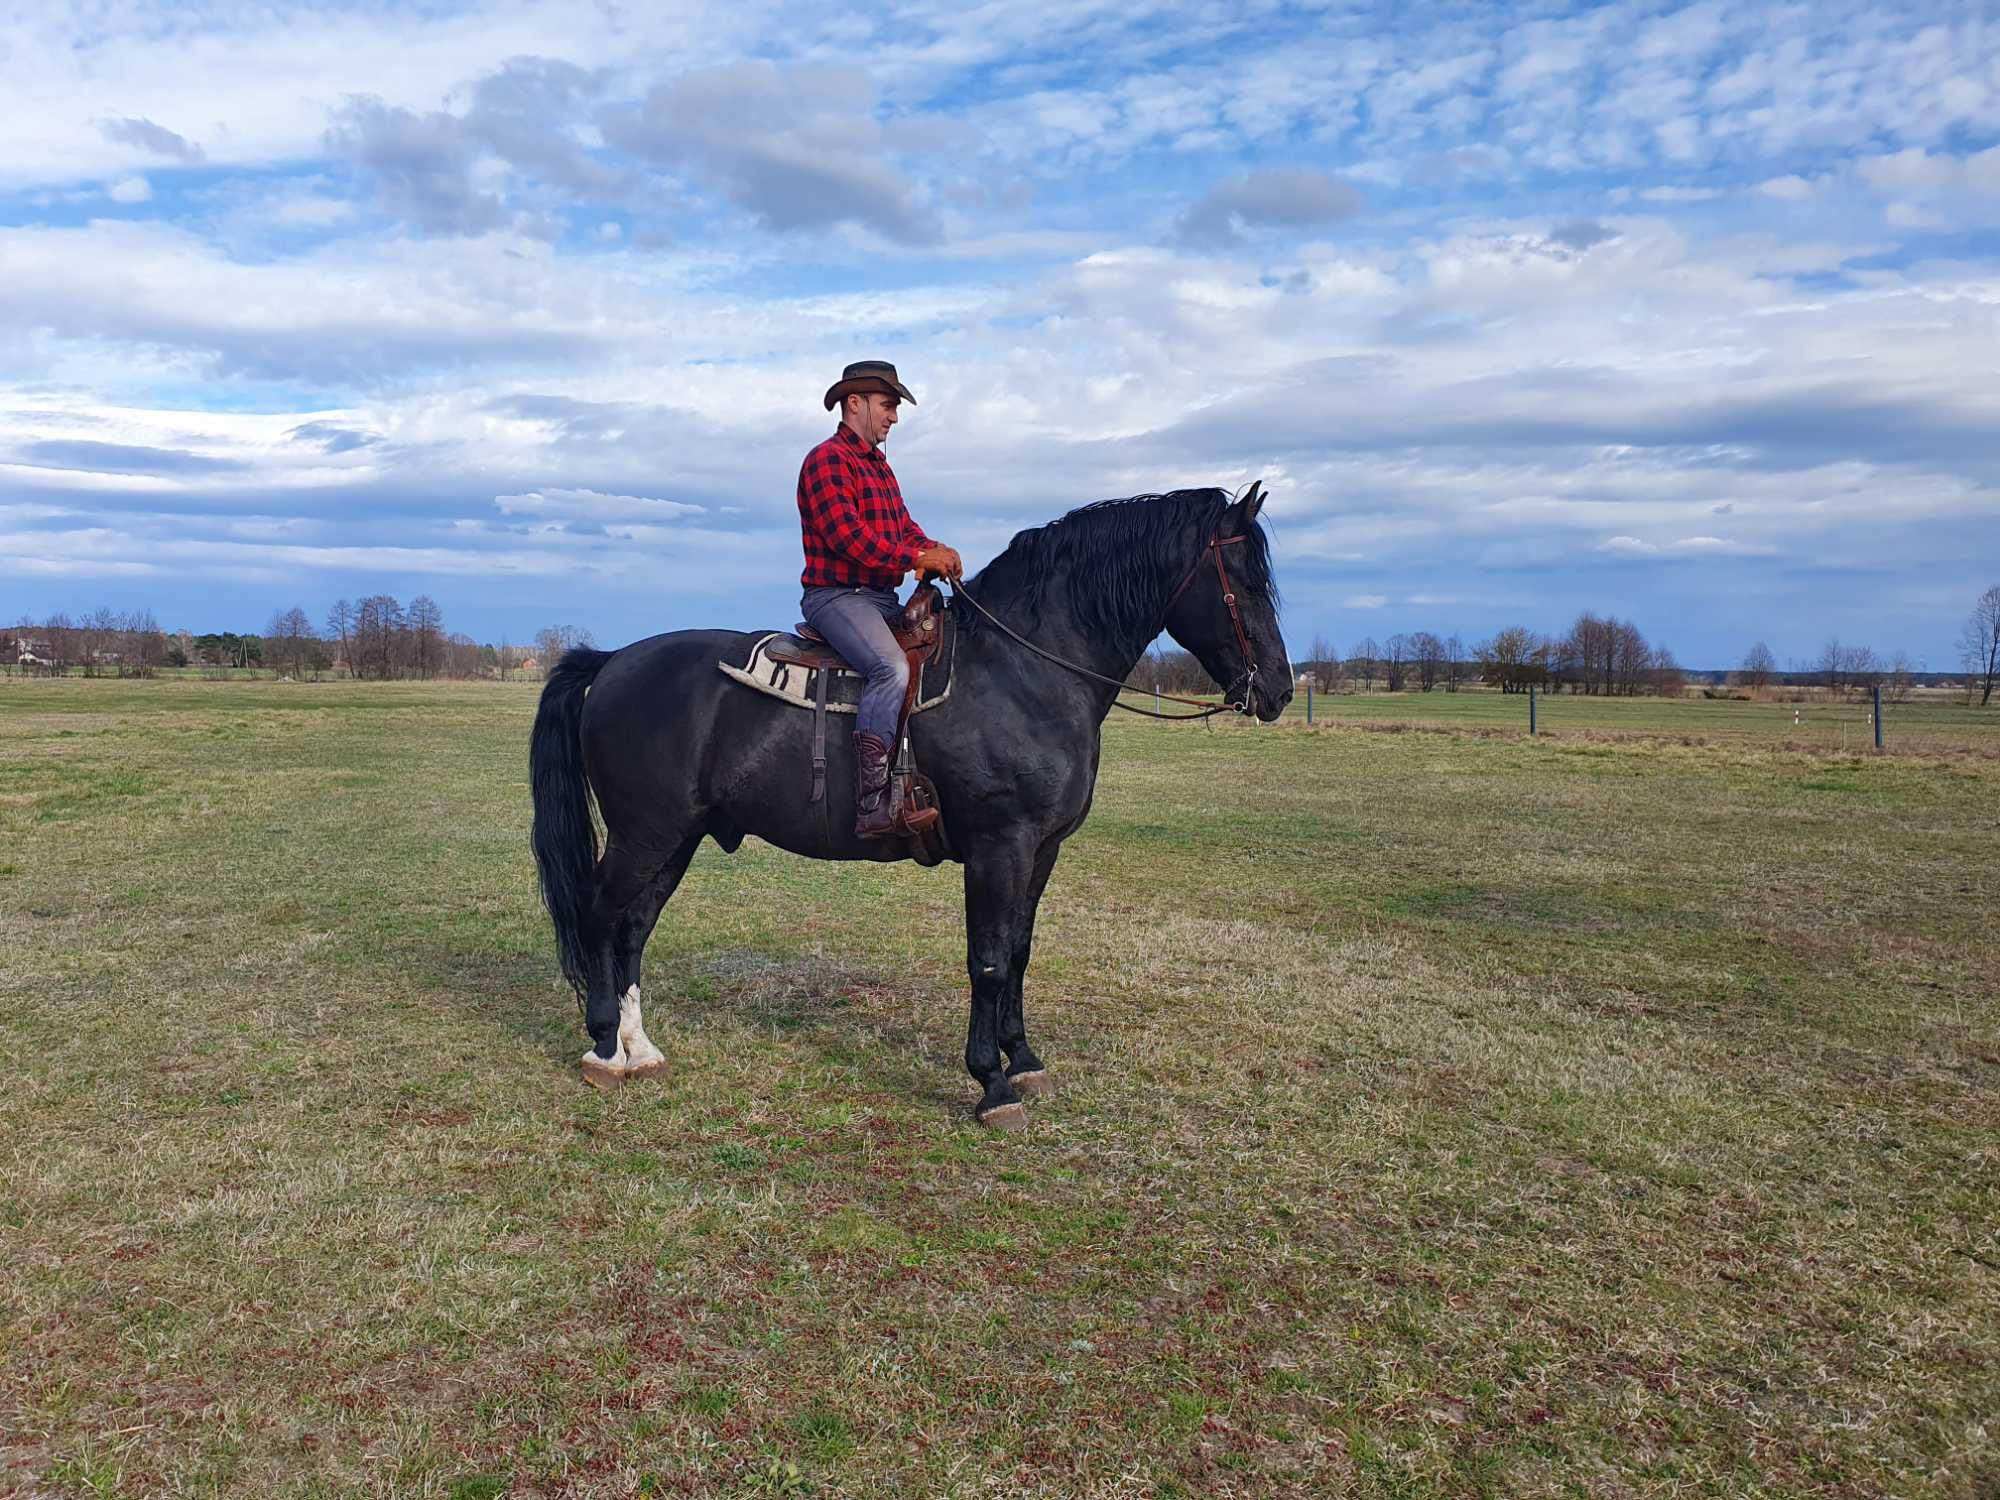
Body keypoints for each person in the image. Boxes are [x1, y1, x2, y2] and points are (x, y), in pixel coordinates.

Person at [797, 360, 963, 838]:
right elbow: (848, 536)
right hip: (836, 597)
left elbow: (902, 527)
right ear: (856, 403)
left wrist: (934, 550)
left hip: (878, 597)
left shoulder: (880, 466)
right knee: (890, 667)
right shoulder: (826, 460)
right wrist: (916, 558)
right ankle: (872, 804)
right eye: (888, 406)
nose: (894, 417)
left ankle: (915, 778)